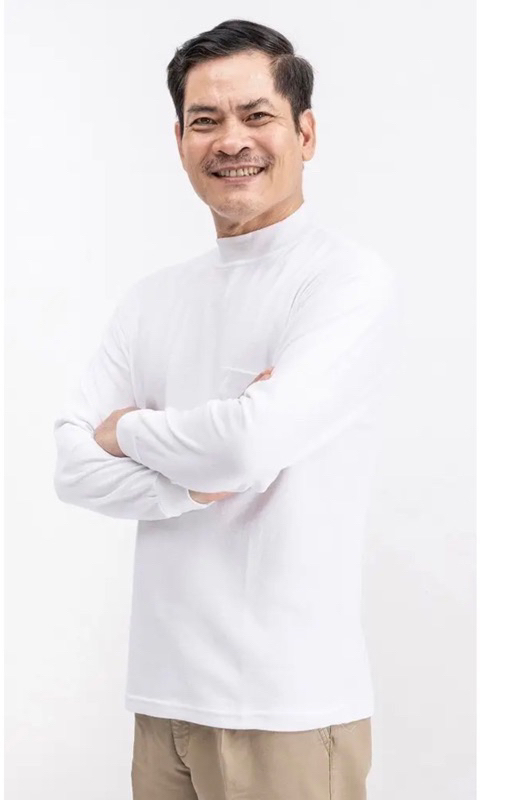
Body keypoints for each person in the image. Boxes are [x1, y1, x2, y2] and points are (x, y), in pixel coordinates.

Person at [53, 18, 400, 800]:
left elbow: (248, 445)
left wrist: (125, 430)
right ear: (180, 140)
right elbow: (70, 468)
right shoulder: (152, 300)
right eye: (205, 120)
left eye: (257, 115)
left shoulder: (344, 281)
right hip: (160, 702)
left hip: (286, 707)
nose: (230, 139)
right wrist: (190, 479)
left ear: (305, 133)